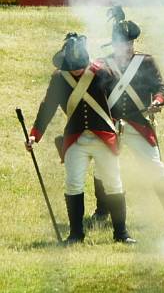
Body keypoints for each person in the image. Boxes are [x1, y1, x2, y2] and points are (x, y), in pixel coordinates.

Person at [26, 33, 135, 244]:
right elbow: (47, 107)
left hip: (105, 138)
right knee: (73, 184)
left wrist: (124, 121)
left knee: (113, 184)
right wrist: (34, 135)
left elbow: (119, 102)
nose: (75, 69)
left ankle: (121, 234)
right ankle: (76, 235)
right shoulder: (59, 78)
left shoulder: (104, 73)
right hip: (75, 139)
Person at [90, 13, 164, 226]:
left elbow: (160, 88)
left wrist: (157, 102)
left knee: (156, 168)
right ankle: (101, 211)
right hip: (111, 126)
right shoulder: (102, 65)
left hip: (138, 125)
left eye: (131, 42)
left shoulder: (145, 62)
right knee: (101, 169)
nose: (128, 46)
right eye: (124, 42)